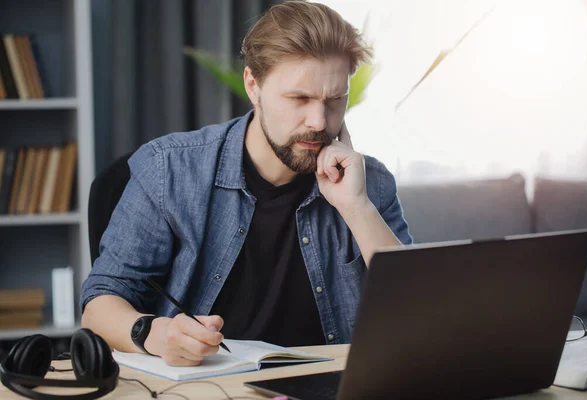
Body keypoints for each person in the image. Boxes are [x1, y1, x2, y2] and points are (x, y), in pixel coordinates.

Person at [81, 0, 412, 367]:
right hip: (208, 388)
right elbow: (99, 305)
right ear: (253, 84)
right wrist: (152, 333)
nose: (319, 121)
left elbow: (419, 314)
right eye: (299, 98)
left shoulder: (369, 184)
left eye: (335, 101)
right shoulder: (169, 170)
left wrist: (356, 207)